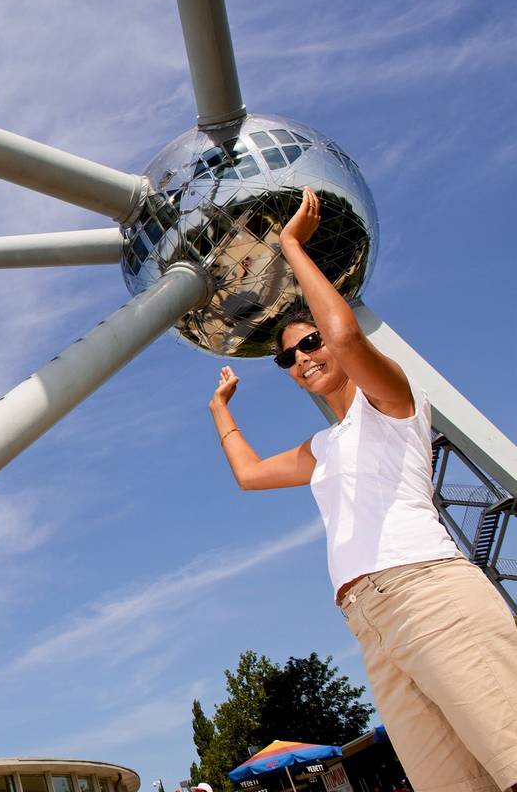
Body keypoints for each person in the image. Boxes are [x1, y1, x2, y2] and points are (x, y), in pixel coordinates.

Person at [208, 186, 517, 792]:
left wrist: (291, 247)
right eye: (287, 359)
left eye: (309, 342)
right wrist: (220, 407)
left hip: (427, 592)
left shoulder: (394, 404)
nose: (301, 358)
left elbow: (348, 340)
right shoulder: (323, 448)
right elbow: (248, 475)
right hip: (367, 621)